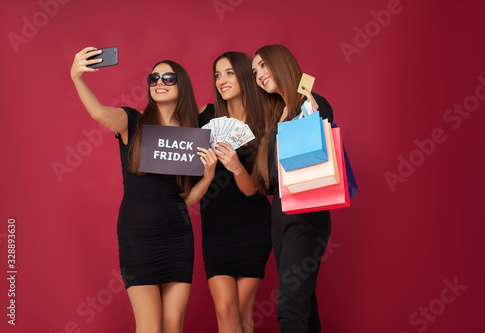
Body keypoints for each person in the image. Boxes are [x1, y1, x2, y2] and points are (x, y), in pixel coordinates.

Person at [70, 46, 217, 333]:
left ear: (182, 85)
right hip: (138, 235)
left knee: (173, 326)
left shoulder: (190, 135)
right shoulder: (132, 121)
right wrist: (77, 78)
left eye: (168, 78)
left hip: (177, 235)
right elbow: (100, 114)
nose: (159, 83)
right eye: (154, 79)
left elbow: (186, 198)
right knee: (150, 327)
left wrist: (209, 175)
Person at [251, 44, 334, 332]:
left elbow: (315, 158)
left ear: (281, 63)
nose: (259, 73)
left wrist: (312, 112)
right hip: (280, 215)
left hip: (305, 214)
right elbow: (272, 181)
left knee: (290, 310)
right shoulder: (274, 117)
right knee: (304, 309)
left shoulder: (311, 103)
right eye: (255, 71)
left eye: (263, 65)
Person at [198, 51, 272, 333]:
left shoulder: (264, 122)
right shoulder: (205, 116)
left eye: (229, 73)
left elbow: (252, 190)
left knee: (242, 312)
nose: (221, 80)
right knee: (225, 309)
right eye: (217, 74)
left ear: (244, 76)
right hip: (216, 226)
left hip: (253, 225)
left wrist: (236, 166)